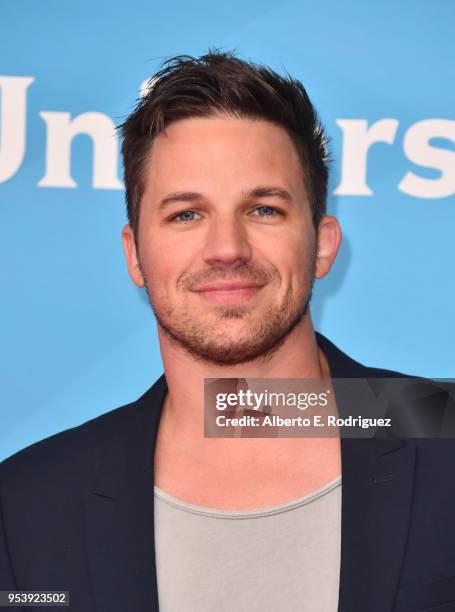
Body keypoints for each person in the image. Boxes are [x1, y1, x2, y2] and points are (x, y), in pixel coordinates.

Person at [1, 51, 454, 612]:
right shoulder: (26, 506)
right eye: (185, 215)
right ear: (135, 255)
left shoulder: (445, 433)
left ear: (323, 244)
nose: (226, 250)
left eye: (264, 209)